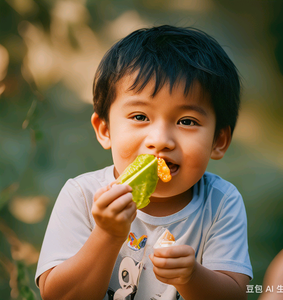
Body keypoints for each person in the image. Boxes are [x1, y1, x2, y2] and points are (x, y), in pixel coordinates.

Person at [35, 25, 253, 300]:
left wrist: (192, 276)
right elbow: (57, 296)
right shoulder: (83, 196)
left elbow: (235, 295)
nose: (160, 140)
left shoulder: (220, 203)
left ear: (218, 141)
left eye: (187, 121)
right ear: (105, 130)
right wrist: (107, 234)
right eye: (140, 117)